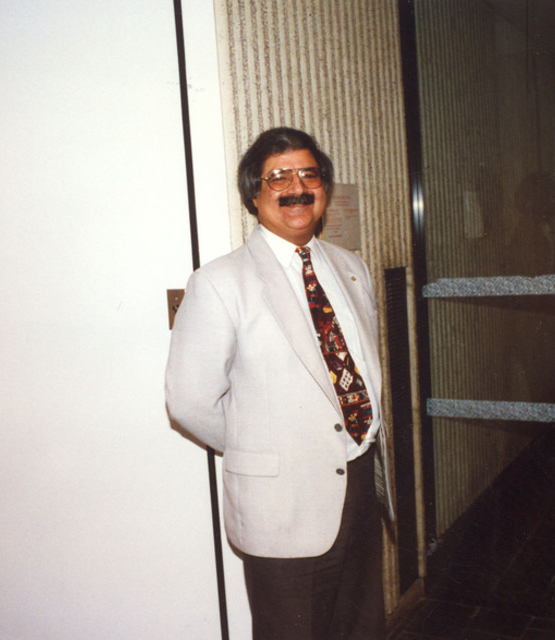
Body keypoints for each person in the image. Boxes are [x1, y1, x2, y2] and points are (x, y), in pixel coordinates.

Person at [165, 127, 393, 639]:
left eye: (309, 174)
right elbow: (189, 402)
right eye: (278, 177)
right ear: (254, 193)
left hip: (361, 484)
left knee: (360, 629)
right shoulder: (219, 283)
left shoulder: (351, 268)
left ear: (324, 188)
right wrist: (263, 450)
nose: (297, 188)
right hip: (283, 501)